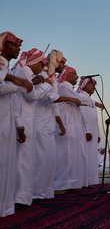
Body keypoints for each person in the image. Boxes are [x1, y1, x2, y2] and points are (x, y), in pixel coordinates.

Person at [12, 48, 53, 206]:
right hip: (22, 121)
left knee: (27, 161)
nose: (43, 66)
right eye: (42, 63)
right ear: (35, 62)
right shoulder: (24, 71)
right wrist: (45, 84)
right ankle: (19, 199)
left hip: (27, 121)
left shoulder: (25, 72)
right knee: (23, 162)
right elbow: (32, 95)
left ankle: (23, 197)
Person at [0, 31, 32, 217]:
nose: (19, 48)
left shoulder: (6, 66)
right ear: (4, 45)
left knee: (6, 165)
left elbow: (13, 101)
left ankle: (5, 206)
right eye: (15, 45)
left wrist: (18, 124)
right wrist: (20, 84)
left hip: (7, 122)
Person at [33, 49, 68, 200]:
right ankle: (35, 192)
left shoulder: (51, 78)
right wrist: (71, 99)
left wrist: (59, 123)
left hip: (48, 123)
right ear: (56, 62)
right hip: (38, 122)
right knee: (41, 159)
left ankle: (45, 191)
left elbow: (54, 105)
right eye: (63, 62)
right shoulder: (43, 77)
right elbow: (51, 98)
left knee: (48, 159)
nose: (64, 66)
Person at [54, 65, 84, 191]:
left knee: (72, 154)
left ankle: (70, 183)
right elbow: (80, 99)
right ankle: (59, 184)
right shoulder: (63, 86)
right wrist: (93, 102)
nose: (77, 76)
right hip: (66, 123)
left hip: (72, 124)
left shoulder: (69, 88)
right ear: (66, 76)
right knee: (64, 154)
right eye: (74, 74)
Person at [78, 77, 103, 186]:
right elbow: (82, 115)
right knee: (84, 155)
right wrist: (87, 131)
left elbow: (95, 118)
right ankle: (84, 181)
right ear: (84, 85)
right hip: (85, 131)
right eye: (91, 84)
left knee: (92, 156)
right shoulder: (80, 96)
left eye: (94, 85)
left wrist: (97, 133)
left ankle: (91, 180)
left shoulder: (88, 99)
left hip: (93, 132)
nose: (93, 87)